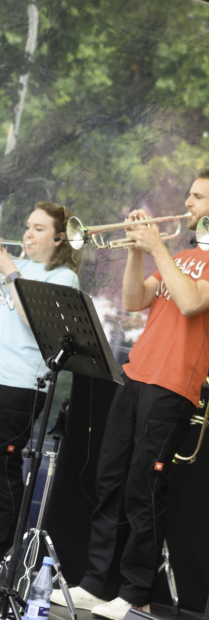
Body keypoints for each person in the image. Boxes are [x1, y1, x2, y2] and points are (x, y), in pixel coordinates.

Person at [50, 168, 209, 620]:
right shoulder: (180, 252)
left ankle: (136, 593)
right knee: (110, 478)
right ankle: (98, 582)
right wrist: (139, 252)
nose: (187, 204)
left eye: (197, 197)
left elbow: (192, 302)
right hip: (137, 373)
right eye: (188, 195)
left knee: (144, 488)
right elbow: (134, 301)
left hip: (174, 384)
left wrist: (157, 246)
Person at [0, 203, 81, 559]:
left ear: (60, 239)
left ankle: (4, 558)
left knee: (3, 468)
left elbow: (37, 323)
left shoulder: (63, 277)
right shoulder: (20, 267)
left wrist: (10, 271)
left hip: (21, 386)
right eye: (27, 226)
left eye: (38, 229)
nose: (27, 234)